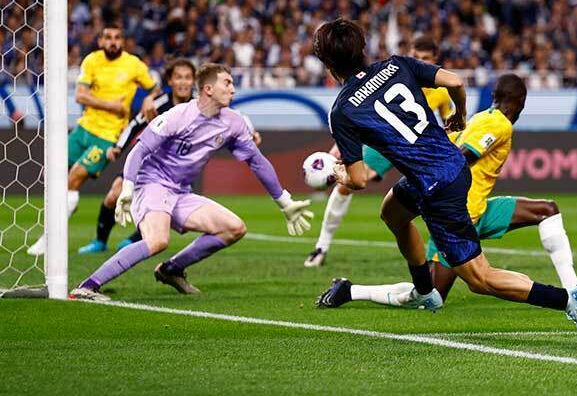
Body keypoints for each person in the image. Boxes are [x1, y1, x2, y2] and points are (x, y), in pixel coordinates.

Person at [313, 19, 577, 345]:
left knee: (480, 278)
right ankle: (423, 289)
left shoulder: (343, 110)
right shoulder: (396, 64)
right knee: (392, 212)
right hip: (446, 166)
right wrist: (459, 114)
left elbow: (359, 180)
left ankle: (567, 300)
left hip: (436, 187)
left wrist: (335, 172)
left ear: (329, 65)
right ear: (362, 47)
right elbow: (455, 81)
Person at [317, 74, 577, 308]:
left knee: (546, 210)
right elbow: (461, 155)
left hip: (478, 209)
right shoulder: (498, 123)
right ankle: (352, 291)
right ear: (520, 102)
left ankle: (575, 290)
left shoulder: (481, 117)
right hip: (455, 213)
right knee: (432, 297)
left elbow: (452, 143)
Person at [68, 64, 313, 300]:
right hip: (152, 183)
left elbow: (257, 162)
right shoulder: (177, 115)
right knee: (157, 240)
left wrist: (284, 201)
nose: (233, 89)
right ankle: (88, 286)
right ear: (208, 89)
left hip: (180, 192)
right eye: (227, 83)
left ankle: (171, 270)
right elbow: (139, 151)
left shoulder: (234, 122)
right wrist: (128, 188)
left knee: (234, 228)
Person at [304, 35, 453, 267]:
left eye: (425, 58)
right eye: (416, 56)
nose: (419, 60)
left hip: (419, 147)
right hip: (384, 141)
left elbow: (449, 122)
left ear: (435, 60)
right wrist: (338, 149)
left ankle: (435, 258)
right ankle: (321, 247)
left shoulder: (439, 91)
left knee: (429, 200)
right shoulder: (398, 74)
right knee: (346, 186)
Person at [28, 16, 160, 256]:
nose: (112, 42)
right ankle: (60, 220)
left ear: (123, 41)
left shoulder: (134, 65)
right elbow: (80, 96)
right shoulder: (92, 61)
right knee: (55, 176)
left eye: (117, 38)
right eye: (108, 37)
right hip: (83, 129)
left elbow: (155, 89)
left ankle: (50, 240)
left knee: (74, 178)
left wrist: (149, 99)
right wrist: (113, 105)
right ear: (100, 40)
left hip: (108, 136)